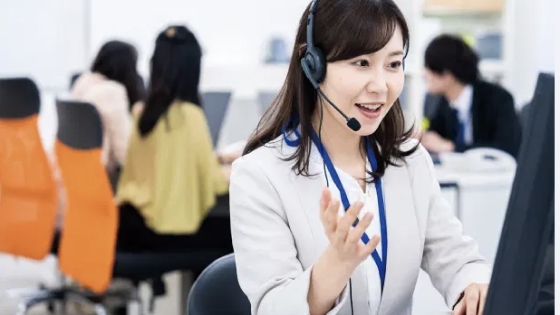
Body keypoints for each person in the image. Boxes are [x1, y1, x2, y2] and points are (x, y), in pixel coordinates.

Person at [229, 1, 490, 315]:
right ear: (313, 66)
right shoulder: (259, 176)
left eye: (393, 64)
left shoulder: (410, 162)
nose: (380, 86)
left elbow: (457, 258)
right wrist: (336, 265)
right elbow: (272, 308)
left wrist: (473, 285)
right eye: (362, 63)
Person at [115, 25, 233, 253]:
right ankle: (202, 290)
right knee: (235, 235)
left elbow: (163, 162)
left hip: (131, 225)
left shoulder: (141, 112)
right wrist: (241, 171)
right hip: (165, 234)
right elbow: (213, 183)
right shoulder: (189, 115)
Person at [421, 34, 522, 157]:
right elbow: (435, 140)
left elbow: (506, 148)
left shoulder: (498, 99)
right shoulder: (438, 102)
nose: (425, 74)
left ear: (447, 75)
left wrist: (451, 147)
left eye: (428, 68)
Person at [71, 40, 144, 174]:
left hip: (76, 174)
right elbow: (124, 153)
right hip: (102, 176)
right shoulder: (111, 92)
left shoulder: (83, 82)